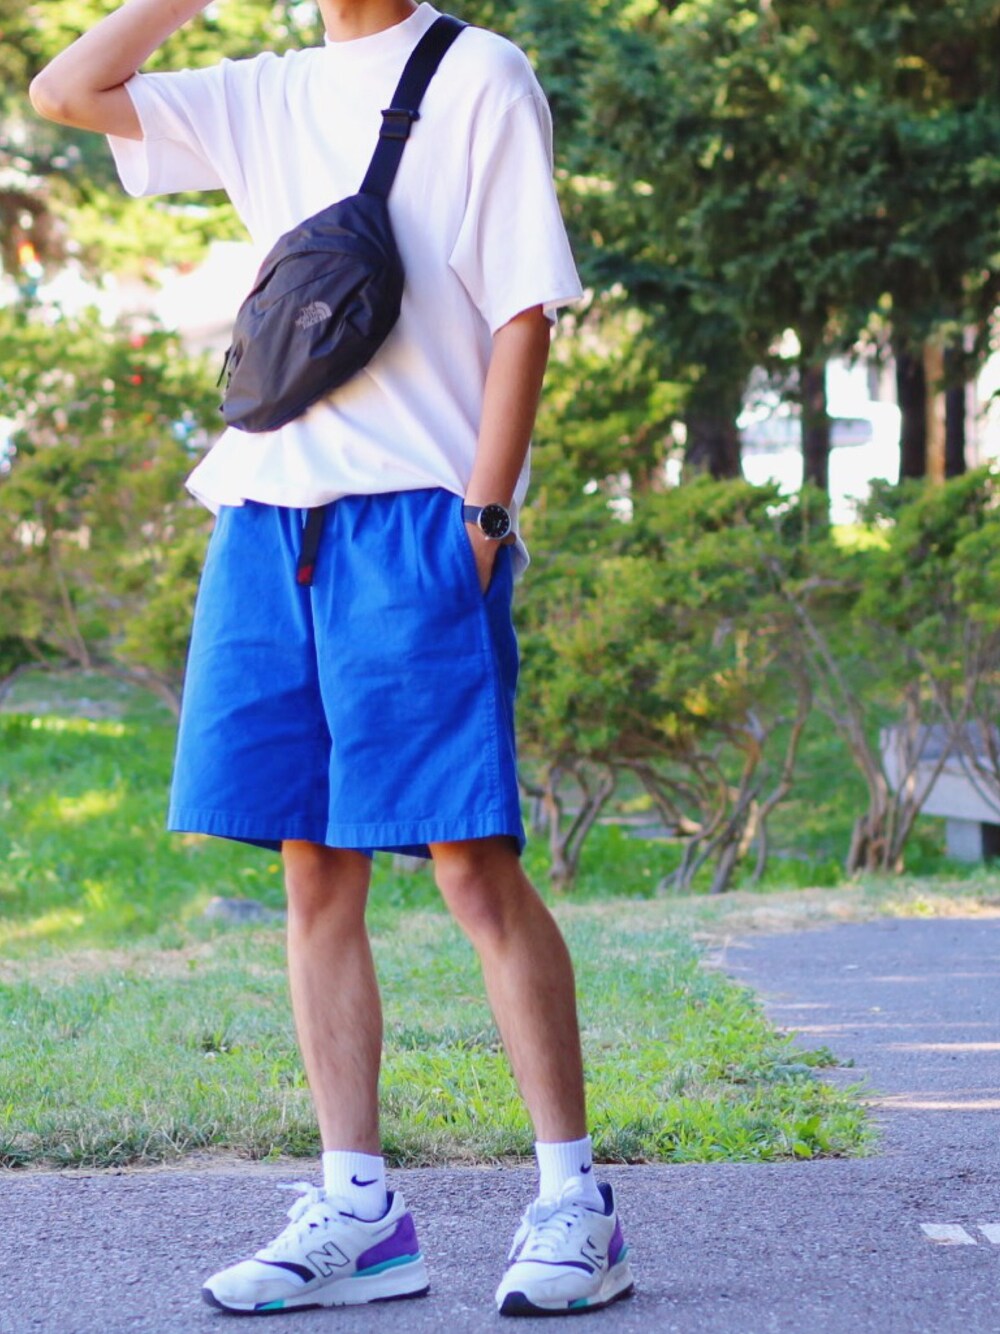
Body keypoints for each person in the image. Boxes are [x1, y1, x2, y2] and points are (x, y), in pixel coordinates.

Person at [30, 0, 634, 1318]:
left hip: (420, 518)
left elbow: (524, 310)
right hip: (267, 516)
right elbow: (66, 91)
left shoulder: (480, 73)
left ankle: (576, 1202)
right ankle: (361, 1212)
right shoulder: (265, 88)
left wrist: (485, 515)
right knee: (313, 873)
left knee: (471, 865)